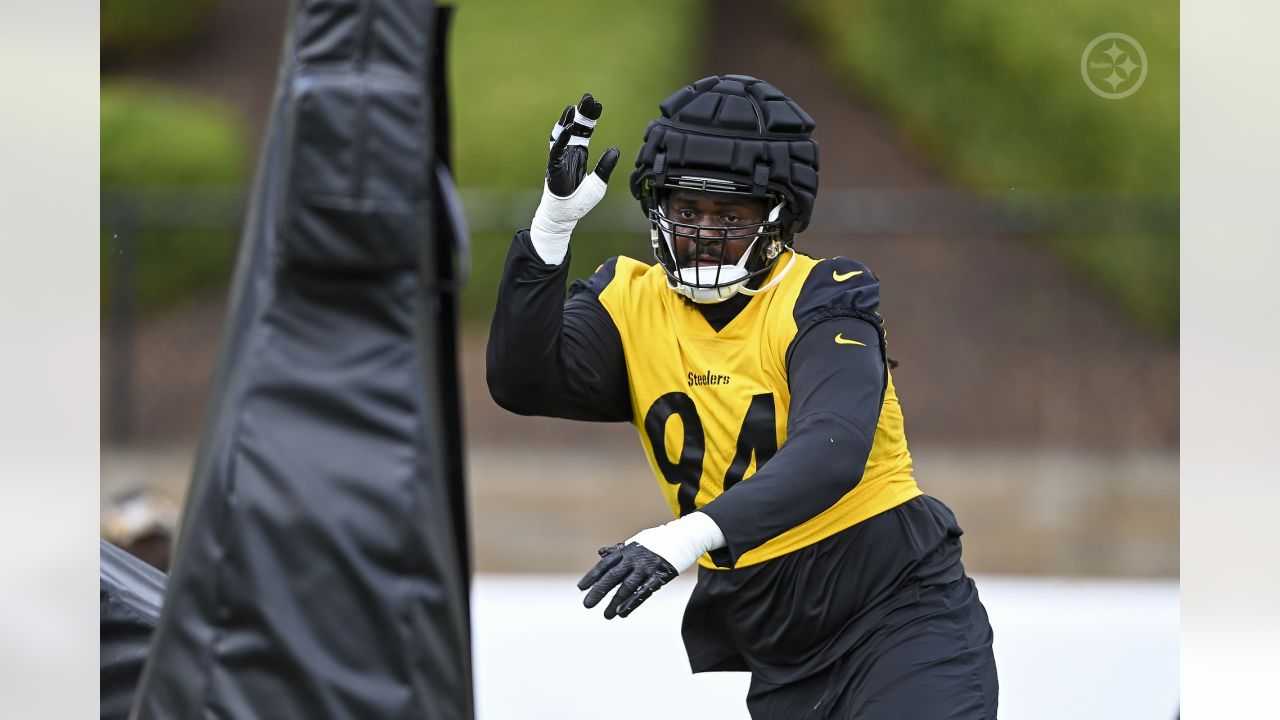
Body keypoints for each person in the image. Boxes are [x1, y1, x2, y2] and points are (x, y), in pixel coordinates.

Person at [487, 75, 998, 718]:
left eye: (731, 216)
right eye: (687, 211)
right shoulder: (630, 299)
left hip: (896, 617)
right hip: (781, 652)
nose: (703, 233)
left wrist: (686, 536)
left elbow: (832, 447)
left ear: (778, 217)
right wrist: (551, 226)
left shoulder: (826, 296)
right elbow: (519, 380)